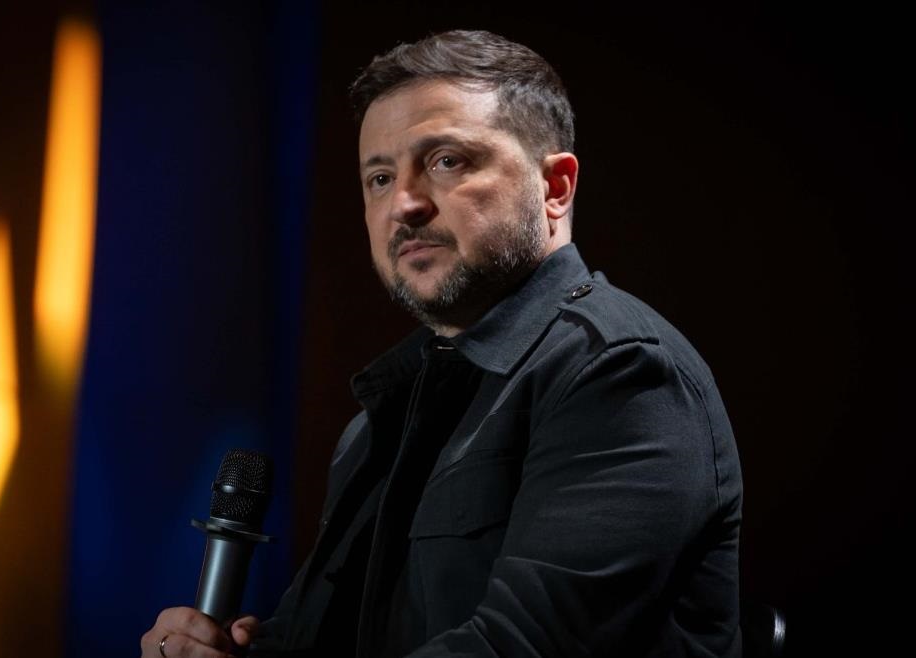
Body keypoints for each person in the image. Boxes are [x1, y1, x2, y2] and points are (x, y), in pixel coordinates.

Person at [141, 29, 742, 658]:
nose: (403, 203)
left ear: (555, 188)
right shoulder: (384, 416)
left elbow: (520, 647)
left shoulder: (621, 375)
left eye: (446, 161)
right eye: (379, 177)